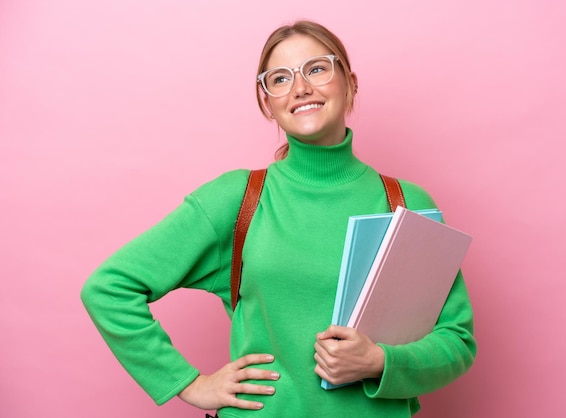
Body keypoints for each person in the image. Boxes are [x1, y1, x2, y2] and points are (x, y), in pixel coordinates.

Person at [81, 20, 476, 417]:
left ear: (350, 83)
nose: (301, 87)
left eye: (317, 68)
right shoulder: (238, 199)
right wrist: (191, 384)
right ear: (268, 102)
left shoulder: (404, 202)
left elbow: (456, 341)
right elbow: (109, 288)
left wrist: (378, 362)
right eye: (280, 78)